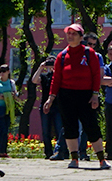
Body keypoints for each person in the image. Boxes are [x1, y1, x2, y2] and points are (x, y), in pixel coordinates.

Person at [45, 24, 107, 169]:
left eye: (74, 34)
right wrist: (51, 98)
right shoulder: (62, 55)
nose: (71, 36)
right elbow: (56, 78)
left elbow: (96, 75)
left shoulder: (89, 53)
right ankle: (74, 159)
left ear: (80, 37)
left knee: (91, 127)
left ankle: (102, 160)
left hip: (85, 95)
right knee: (70, 127)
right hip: (66, 95)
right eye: (69, 33)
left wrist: (95, 95)